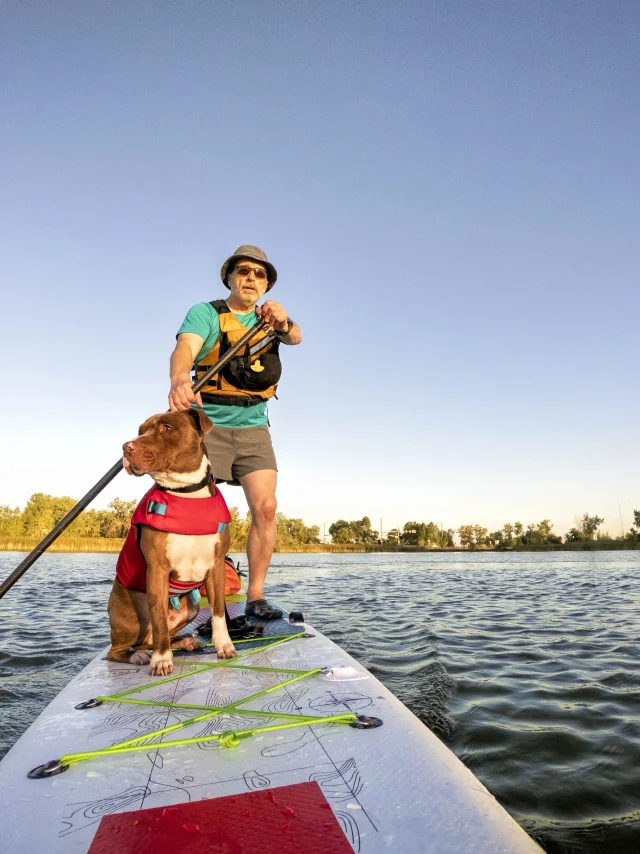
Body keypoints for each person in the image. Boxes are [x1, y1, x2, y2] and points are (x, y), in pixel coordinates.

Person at [167, 245, 302, 619]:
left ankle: (255, 596)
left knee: (267, 507)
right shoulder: (206, 313)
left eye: (260, 275)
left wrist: (285, 321)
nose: (251, 278)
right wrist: (180, 378)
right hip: (207, 426)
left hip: (254, 428)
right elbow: (185, 349)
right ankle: (179, 590)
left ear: (266, 285)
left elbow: (297, 338)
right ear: (229, 277)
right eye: (243, 271)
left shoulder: (269, 320)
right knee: (192, 513)